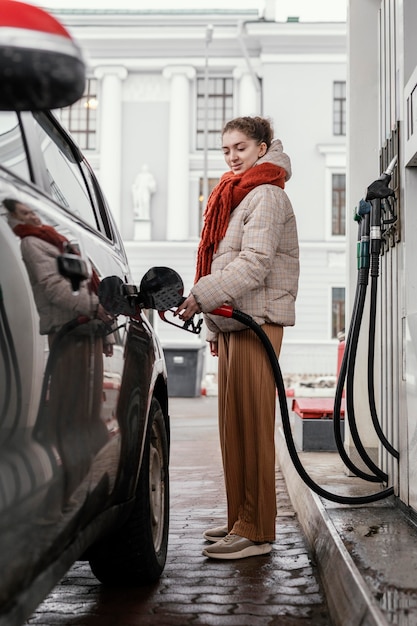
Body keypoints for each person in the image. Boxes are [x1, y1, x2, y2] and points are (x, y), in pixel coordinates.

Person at [176, 116, 299, 560]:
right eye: (226, 148)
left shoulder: (265, 194)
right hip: (233, 322)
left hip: (257, 321)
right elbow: (219, 262)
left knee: (252, 427)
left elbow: (254, 263)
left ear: (262, 148)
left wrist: (199, 298)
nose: (232, 156)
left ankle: (257, 528)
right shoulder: (236, 194)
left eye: (241, 147)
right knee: (233, 429)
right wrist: (213, 322)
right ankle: (238, 519)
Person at [3, 197, 114, 514]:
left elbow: (81, 283)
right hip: (69, 334)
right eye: (24, 213)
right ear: (13, 219)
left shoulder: (54, 239)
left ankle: (64, 494)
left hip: (84, 331)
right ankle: (55, 499)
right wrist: (95, 307)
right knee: (72, 415)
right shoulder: (33, 244)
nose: (33, 216)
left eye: (33, 210)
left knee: (83, 414)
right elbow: (55, 289)